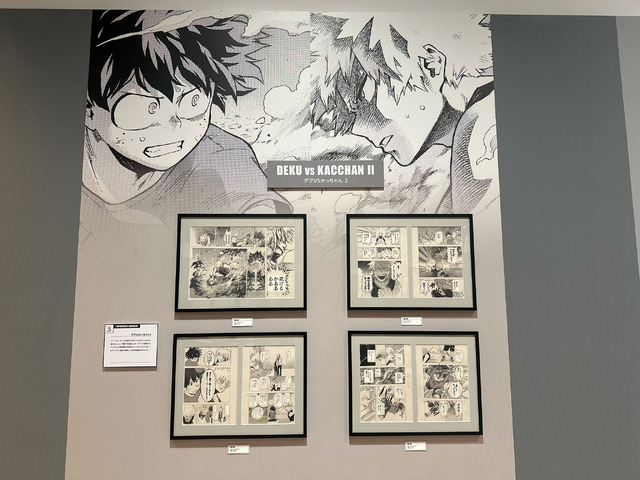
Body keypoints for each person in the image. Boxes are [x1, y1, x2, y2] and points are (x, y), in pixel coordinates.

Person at [81, 10, 290, 259]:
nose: (173, 126)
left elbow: (266, 244)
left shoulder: (223, 158)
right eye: (145, 108)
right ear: (89, 111)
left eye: (192, 102)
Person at [310, 13, 496, 214]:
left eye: (364, 95)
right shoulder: (475, 126)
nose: (363, 129)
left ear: (430, 66)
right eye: (350, 112)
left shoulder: (480, 126)